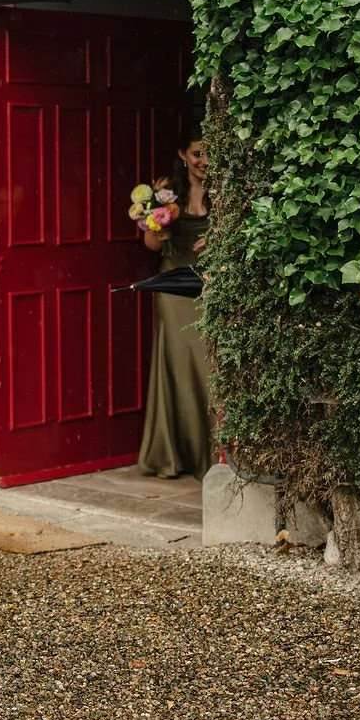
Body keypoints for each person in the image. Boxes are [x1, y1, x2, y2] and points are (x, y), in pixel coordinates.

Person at [135, 124, 217, 479]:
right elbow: (151, 246)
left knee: (207, 367)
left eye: (209, 153)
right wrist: (157, 229)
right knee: (179, 368)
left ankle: (211, 455)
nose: (204, 161)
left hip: (211, 285)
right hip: (173, 285)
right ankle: (172, 455)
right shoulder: (166, 193)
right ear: (184, 155)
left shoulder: (223, 191)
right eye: (198, 153)